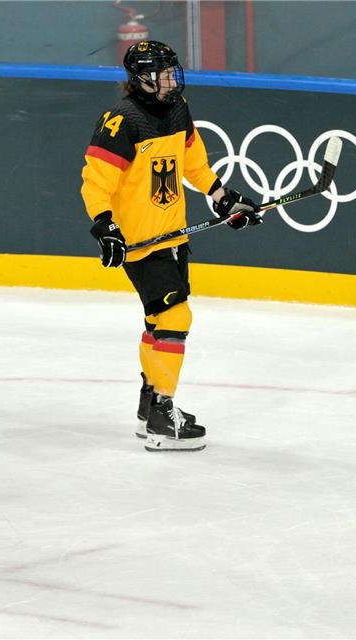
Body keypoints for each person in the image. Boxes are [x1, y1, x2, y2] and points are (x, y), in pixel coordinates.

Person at [80, 40, 262, 452]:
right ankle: (164, 410)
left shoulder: (178, 111)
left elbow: (195, 166)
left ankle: (150, 406)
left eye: (171, 70)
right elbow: (96, 181)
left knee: (157, 322)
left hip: (174, 237)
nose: (170, 79)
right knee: (176, 316)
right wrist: (105, 227)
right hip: (143, 244)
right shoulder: (121, 121)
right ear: (141, 79)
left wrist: (225, 198)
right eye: (162, 73)